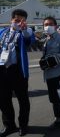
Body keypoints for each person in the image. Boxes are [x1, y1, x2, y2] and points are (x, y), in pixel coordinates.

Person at [0, 9, 34, 137]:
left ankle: (23, 125)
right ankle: (9, 125)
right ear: (11, 20)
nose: (19, 22)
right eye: (17, 20)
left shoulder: (26, 32)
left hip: (18, 71)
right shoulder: (2, 32)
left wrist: (24, 30)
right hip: (2, 70)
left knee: (23, 100)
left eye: (22, 20)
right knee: (3, 99)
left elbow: (29, 42)